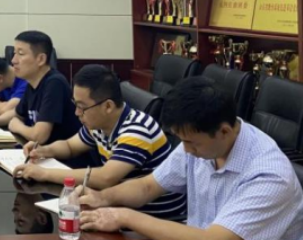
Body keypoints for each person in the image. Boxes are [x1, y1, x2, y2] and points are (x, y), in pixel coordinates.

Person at [79, 77, 303, 240]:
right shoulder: (203, 140)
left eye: (191, 143)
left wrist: (124, 216)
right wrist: (102, 197)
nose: (186, 150)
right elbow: (148, 186)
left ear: (224, 131)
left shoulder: (269, 175)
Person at [13, 65, 186, 220]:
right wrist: (44, 150)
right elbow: (70, 146)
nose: (77, 113)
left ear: (108, 106)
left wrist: (45, 174)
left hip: (155, 219)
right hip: (123, 210)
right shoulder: (99, 123)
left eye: (82, 107)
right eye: (75, 105)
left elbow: (105, 177)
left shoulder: (137, 130)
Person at [0, 31, 80, 145]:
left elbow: (39, 136)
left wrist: (17, 126)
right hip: (40, 151)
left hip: (63, 154)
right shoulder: (32, 83)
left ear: (41, 59)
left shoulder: (54, 83)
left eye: (21, 54)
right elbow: (17, 113)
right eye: (14, 53)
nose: (13, 60)